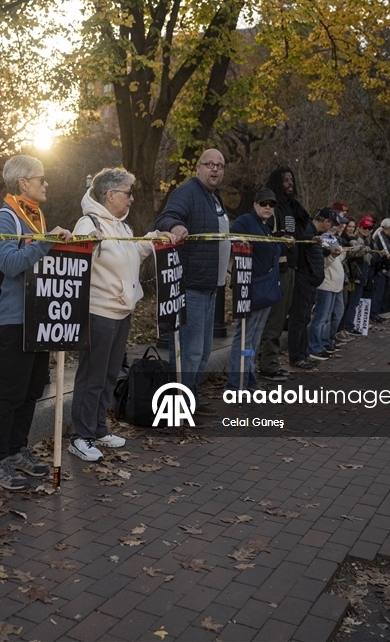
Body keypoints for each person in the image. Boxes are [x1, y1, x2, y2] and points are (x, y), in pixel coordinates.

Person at [0, 156, 73, 489]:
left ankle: (16, 450)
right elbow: (9, 264)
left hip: (39, 318)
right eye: (41, 179)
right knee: (11, 391)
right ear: (23, 183)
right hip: (14, 320)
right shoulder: (6, 218)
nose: (46, 184)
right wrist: (47, 240)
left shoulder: (33, 217)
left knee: (33, 390)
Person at [68, 168, 171, 461]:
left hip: (122, 311)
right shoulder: (87, 223)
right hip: (98, 312)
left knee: (110, 374)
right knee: (92, 377)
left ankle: (98, 429)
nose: (131, 199)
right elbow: (77, 256)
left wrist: (153, 239)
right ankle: (81, 436)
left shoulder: (122, 226)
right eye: (127, 193)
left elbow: (131, 253)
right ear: (110, 195)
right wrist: (89, 242)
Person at [155, 149, 230, 405]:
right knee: (191, 350)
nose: (215, 170)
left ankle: (191, 396)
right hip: (192, 285)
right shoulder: (188, 192)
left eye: (220, 166)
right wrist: (175, 226)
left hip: (212, 286)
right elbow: (166, 217)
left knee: (205, 349)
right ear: (198, 167)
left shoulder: (214, 197)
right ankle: (180, 403)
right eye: (210, 164)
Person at [225, 189, 285, 390]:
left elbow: (272, 251)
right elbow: (231, 237)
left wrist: (285, 243)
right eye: (263, 203)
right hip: (249, 288)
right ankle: (235, 383)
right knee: (243, 336)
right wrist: (238, 241)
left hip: (265, 290)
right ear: (255, 203)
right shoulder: (245, 221)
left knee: (254, 337)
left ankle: (249, 377)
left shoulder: (266, 227)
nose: (268, 207)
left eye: (272, 204)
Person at [256, 167, 306, 381]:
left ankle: (269, 360)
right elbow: (267, 235)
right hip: (279, 268)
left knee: (282, 315)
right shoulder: (273, 206)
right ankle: (268, 364)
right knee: (274, 319)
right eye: (286, 180)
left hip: (293, 266)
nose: (290, 183)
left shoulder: (292, 208)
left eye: (291, 179)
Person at [287, 207, 328, 369]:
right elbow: (301, 243)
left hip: (310, 280)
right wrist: (311, 238)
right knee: (298, 318)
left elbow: (315, 252)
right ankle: (296, 356)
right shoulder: (306, 229)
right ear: (326, 221)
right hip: (303, 278)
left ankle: (303, 352)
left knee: (305, 318)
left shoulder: (315, 234)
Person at [308, 209, 346, 360]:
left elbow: (339, 260)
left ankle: (324, 342)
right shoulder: (321, 239)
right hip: (325, 284)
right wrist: (332, 255)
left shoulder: (335, 239)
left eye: (339, 225)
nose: (339, 227)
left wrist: (340, 252)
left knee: (330, 316)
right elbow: (322, 263)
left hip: (336, 283)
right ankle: (314, 347)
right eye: (336, 224)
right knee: (320, 318)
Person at [338, 217, 372, 340]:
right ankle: (346, 327)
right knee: (349, 303)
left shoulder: (359, 240)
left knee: (352, 303)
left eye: (353, 226)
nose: (351, 229)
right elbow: (348, 256)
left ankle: (347, 326)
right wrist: (359, 252)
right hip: (351, 276)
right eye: (349, 226)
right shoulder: (345, 240)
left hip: (359, 275)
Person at [369, 218, 390, 321]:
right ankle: (374, 312)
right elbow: (388, 250)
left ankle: (378, 311)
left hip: (384, 267)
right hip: (380, 268)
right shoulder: (380, 236)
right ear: (388, 228)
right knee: (378, 292)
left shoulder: (384, 237)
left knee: (381, 291)